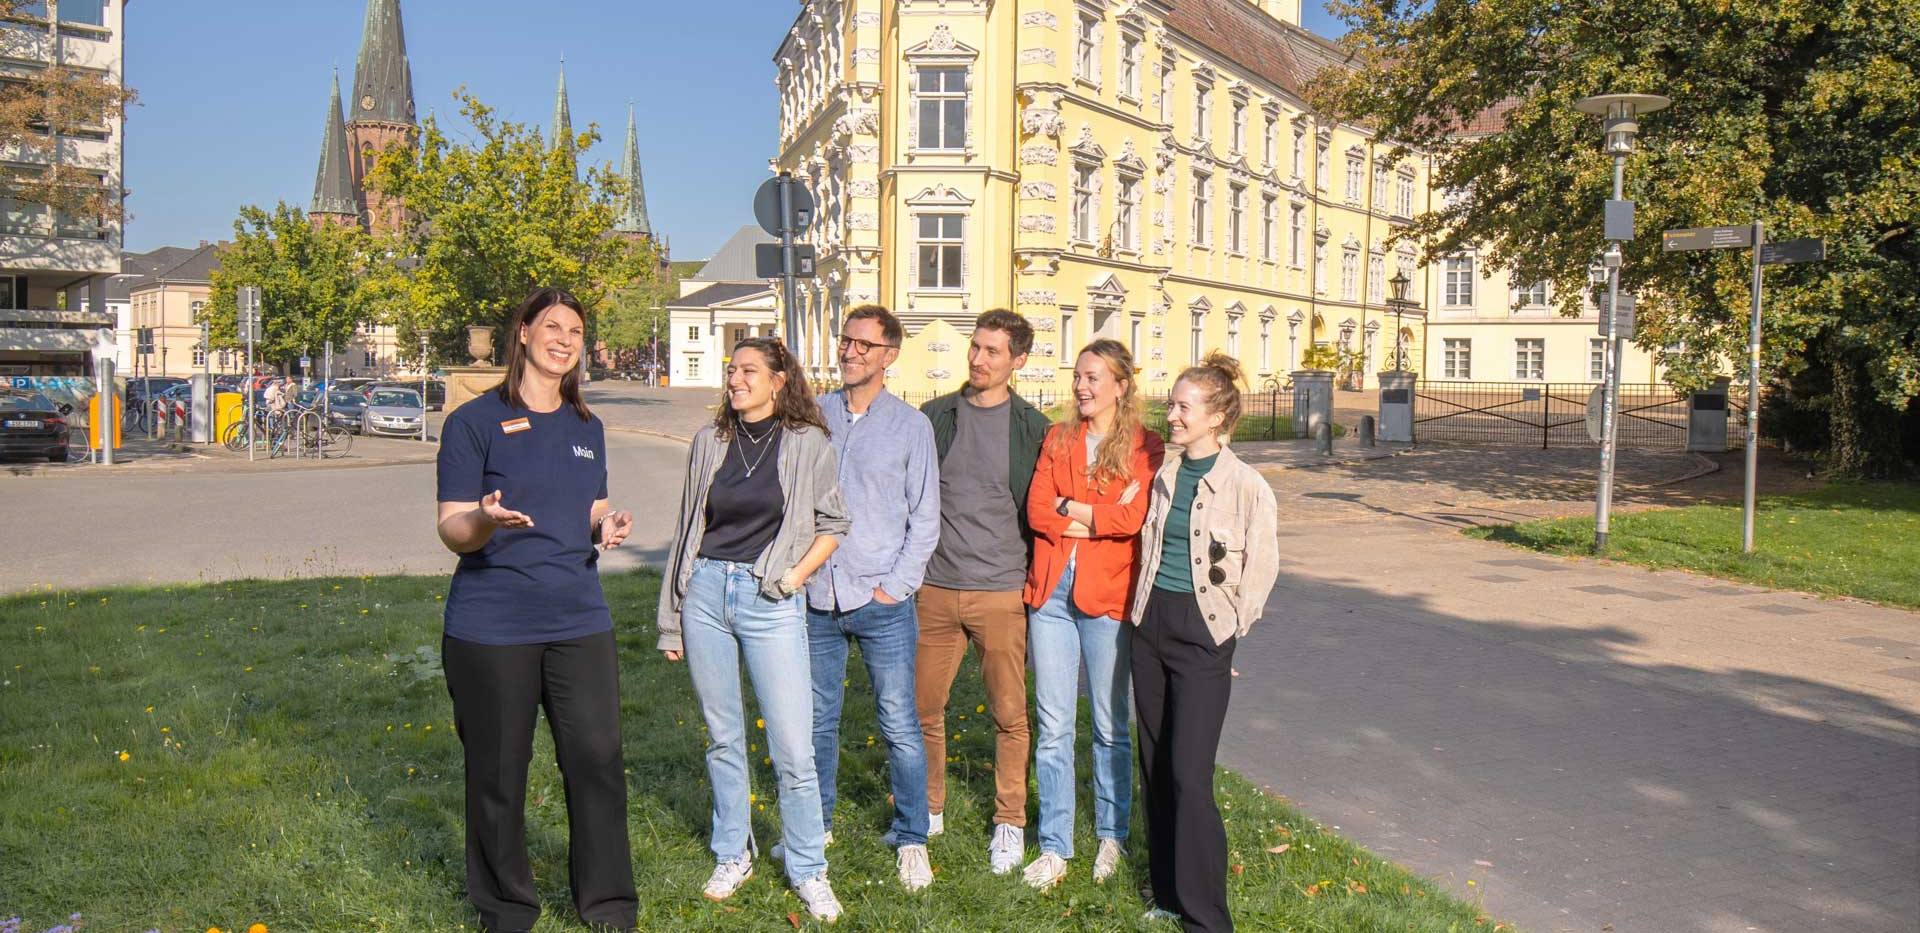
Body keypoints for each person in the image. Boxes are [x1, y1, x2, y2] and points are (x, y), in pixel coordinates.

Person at [433, 287, 637, 933]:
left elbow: (587, 506)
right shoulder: (474, 422)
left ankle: (607, 905)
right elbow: (451, 529)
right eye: (552, 325)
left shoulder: (586, 426)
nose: (564, 338)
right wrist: (484, 519)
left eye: (575, 329)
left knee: (597, 757)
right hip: (492, 624)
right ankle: (506, 907)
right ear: (521, 332)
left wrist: (606, 524)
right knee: (498, 770)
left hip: (579, 619)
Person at [656, 336, 850, 923]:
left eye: (747, 370)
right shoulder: (708, 441)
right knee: (723, 737)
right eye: (731, 370)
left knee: (793, 747)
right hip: (708, 593)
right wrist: (673, 619)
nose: (734, 379)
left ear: (778, 381)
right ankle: (732, 851)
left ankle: (808, 866)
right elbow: (688, 527)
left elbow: (834, 523)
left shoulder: (807, 443)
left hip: (769, 598)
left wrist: (792, 579)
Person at [1129, 353, 1280, 932]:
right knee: (1155, 764)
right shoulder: (1165, 474)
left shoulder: (1246, 486)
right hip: (1149, 626)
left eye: (1182, 407)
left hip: (1202, 633)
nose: (1171, 415)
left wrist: (1227, 637)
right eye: (1171, 404)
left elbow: (1261, 570)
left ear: (1216, 417)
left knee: (1191, 776)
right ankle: (1166, 893)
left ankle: (1206, 919)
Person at [803, 305, 942, 890]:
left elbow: (925, 520)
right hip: (816, 596)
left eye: (864, 344)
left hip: (881, 600)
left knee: (898, 723)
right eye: (846, 340)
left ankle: (912, 837)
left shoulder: (912, 427)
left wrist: (894, 589)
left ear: (889, 355)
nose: (851, 351)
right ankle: (819, 824)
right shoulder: (815, 416)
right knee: (815, 722)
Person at [1020, 339, 1165, 889]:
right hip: (1051, 595)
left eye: (1093, 378)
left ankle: (1111, 836)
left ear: (1121, 385)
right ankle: (1055, 845)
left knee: (1109, 727)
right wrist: (1091, 515)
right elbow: (1037, 508)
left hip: (1107, 598)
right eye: (1078, 376)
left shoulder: (1144, 447)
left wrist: (1075, 510)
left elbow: (1135, 517)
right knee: (1054, 726)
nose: (1081, 386)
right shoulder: (1058, 439)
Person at [915, 309, 1053, 874]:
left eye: (993, 351)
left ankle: (1009, 822)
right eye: (976, 347)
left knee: (1010, 715)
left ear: (1017, 361)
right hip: (935, 588)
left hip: (1001, 593)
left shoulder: (1033, 429)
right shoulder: (935, 417)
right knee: (922, 710)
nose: (978, 359)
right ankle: (927, 810)